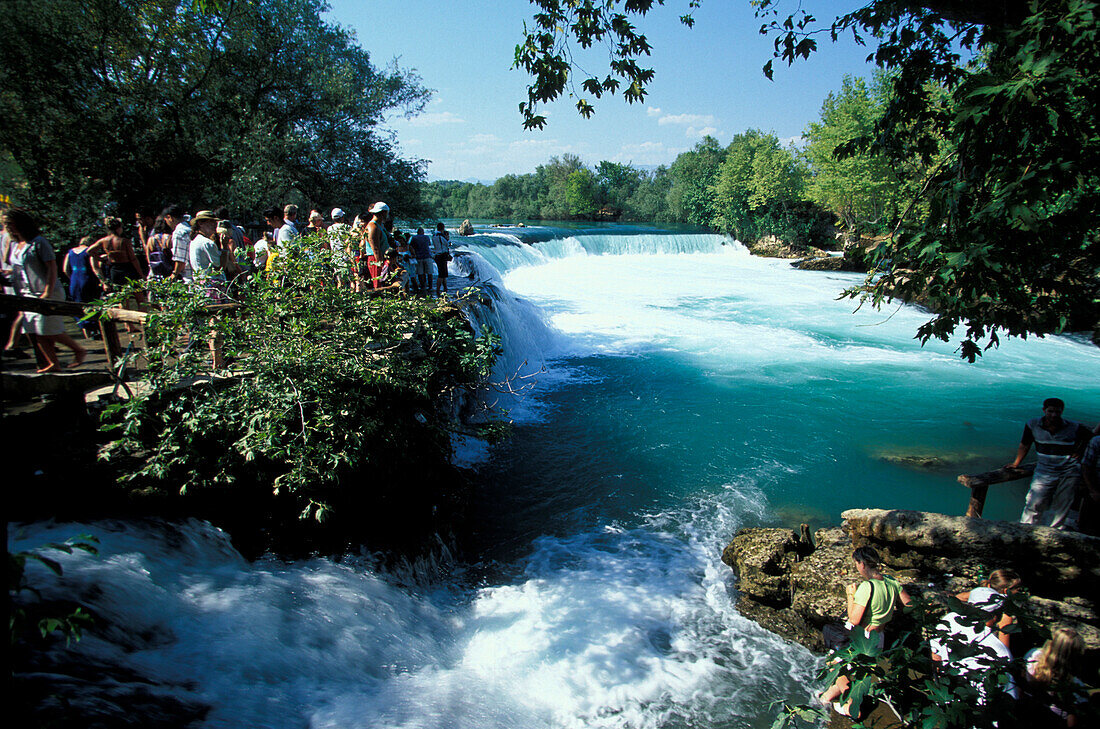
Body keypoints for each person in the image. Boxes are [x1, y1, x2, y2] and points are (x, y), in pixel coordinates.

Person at [818, 546, 912, 717]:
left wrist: (850, 595)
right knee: (855, 669)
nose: (856, 567)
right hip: (879, 638)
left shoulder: (867, 587)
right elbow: (909, 604)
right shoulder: (892, 582)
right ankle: (826, 697)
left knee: (835, 666)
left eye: (856, 563)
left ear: (862, 564)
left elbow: (854, 620)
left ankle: (852, 705)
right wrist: (889, 610)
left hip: (862, 638)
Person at [2, 208, 86, 372]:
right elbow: (20, 267)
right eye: (6, 225)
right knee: (35, 331)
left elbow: (51, 267)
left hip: (46, 291)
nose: (8, 228)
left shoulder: (39, 243)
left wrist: (47, 291)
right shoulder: (15, 245)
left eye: (10, 224)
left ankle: (79, 349)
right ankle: (53, 363)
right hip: (27, 293)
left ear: (20, 223)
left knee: (46, 329)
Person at [1008, 398, 1093, 529]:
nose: (1054, 415)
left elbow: (1092, 438)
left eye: (1057, 412)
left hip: (1069, 470)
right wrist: (1016, 463)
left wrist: (1080, 452)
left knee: (1062, 503)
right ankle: (1026, 529)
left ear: (1062, 412)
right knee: (1034, 502)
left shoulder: (1074, 427)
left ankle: (1054, 531)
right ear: (1044, 410)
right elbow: (1025, 444)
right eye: (1050, 411)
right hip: (1044, 470)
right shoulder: (1033, 425)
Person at [929, 587, 1018, 705]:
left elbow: (934, 655)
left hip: (946, 699)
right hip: (981, 713)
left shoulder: (949, 620)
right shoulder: (1000, 653)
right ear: (996, 615)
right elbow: (1009, 697)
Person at [1022, 627, 1087, 726]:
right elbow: (1072, 719)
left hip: (1026, 713)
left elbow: (1021, 681)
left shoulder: (1032, 658)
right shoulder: (1074, 685)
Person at [954, 569, 1022, 649]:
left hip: (961, 635)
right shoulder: (1006, 612)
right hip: (983, 647)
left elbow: (959, 597)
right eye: (1018, 589)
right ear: (1006, 591)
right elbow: (1004, 647)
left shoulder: (978, 592)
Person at [62, 235, 102, 338]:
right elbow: (94, 267)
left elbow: (65, 270)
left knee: (80, 307)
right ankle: (97, 331)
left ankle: (87, 335)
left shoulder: (70, 252)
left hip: (75, 281)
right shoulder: (89, 251)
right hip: (89, 280)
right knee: (94, 304)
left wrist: (72, 278)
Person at [89, 216, 145, 290]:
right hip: (127, 269)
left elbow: (90, 251)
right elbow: (133, 259)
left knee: (121, 296)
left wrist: (102, 260)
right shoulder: (124, 241)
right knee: (138, 295)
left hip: (114, 270)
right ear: (119, 228)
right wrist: (141, 274)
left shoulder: (104, 241)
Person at [188, 210, 225, 299]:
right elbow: (219, 267)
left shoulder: (194, 241)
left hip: (199, 285)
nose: (214, 225)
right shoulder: (207, 243)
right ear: (200, 223)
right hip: (211, 287)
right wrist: (225, 247)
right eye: (210, 222)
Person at [363, 202, 389, 290]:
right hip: (375, 259)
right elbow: (375, 248)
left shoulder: (380, 225)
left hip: (382, 257)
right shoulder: (372, 226)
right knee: (377, 283)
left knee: (383, 282)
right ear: (383, 213)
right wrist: (380, 263)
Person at [164, 204, 192, 282]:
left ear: (169, 217)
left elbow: (180, 260)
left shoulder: (179, 232)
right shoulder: (189, 229)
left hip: (188, 277)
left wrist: (174, 274)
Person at [408, 226, 433, 293]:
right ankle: (430, 287)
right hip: (428, 256)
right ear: (423, 232)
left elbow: (410, 246)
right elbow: (429, 244)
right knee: (429, 273)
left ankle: (423, 286)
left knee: (420, 273)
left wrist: (413, 253)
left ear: (417, 232)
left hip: (418, 257)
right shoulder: (427, 237)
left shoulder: (414, 238)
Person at [431, 222, 452, 295]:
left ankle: (445, 288)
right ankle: (438, 290)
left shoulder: (434, 235)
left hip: (437, 255)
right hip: (442, 255)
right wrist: (447, 239)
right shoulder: (441, 236)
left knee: (443, 273)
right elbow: (447, 244)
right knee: (442, 274)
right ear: (443, 228)